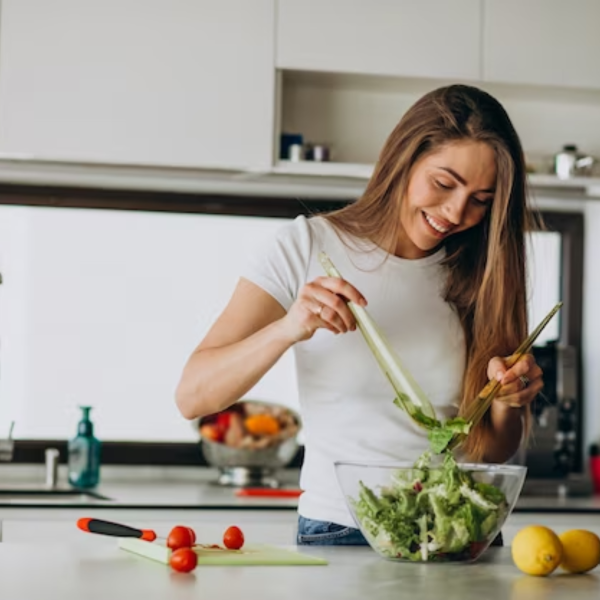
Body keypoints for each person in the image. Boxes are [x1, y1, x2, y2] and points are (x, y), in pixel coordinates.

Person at [175, 84, 544, 546]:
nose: (455, 212)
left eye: (481, 200)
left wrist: (510, 401)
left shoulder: (481, 273)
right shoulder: (306, 247)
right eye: (444, 184)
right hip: (343, 529)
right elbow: (193, 396)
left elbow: (489, 447)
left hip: (462, 531)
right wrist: (288, 327)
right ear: (404, 160)